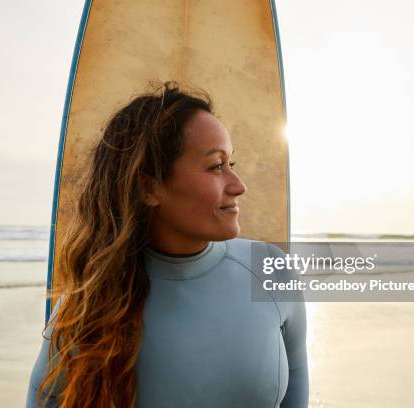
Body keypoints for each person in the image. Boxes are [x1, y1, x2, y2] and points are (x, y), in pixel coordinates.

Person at [26, 82, 308, 408]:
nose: (239, 185)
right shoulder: (91, 309)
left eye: (232, 164)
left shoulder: (271, 270)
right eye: (216, 166)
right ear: (150, 188)